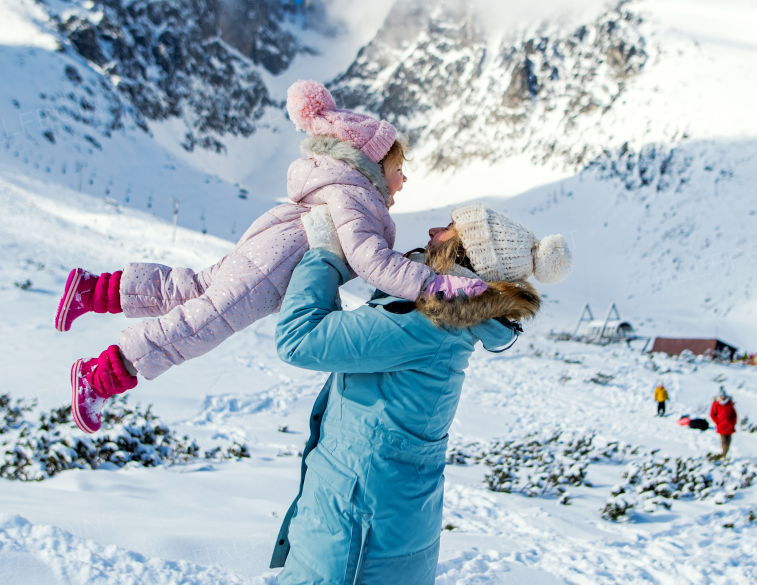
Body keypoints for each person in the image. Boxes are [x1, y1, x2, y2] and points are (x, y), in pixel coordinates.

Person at [59, 80, 488, 433]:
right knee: (201, 323)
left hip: (270, 243)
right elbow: (370, 259)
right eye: (397, 171)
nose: (403, 180)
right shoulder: (355, 195)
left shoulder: (341, 187)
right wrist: (434, 285)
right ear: (369, 168)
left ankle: (92, 291)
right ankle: (99, 378)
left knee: (190, 287)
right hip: (270, 269)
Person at [270, 203, 573, 583]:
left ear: (464, 253)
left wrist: (324, 258)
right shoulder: (436, 320)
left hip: (353, 539)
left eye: (448, 228)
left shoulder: (424, 326)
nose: (432, 231)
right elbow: (343, 341)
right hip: (370, 527)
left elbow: (300, 340)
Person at [710, 387, 737, 458]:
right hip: (721, 426)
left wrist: (733, 422)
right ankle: (723, 455)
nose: (723, 397)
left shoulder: (729, 403)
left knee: (729, 441)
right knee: (723, 441)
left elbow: (734, 414)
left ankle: (725, 453)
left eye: (723, 396)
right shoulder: (716, 404)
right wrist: (717, 422)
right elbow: (712, 414)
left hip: (730, 426)